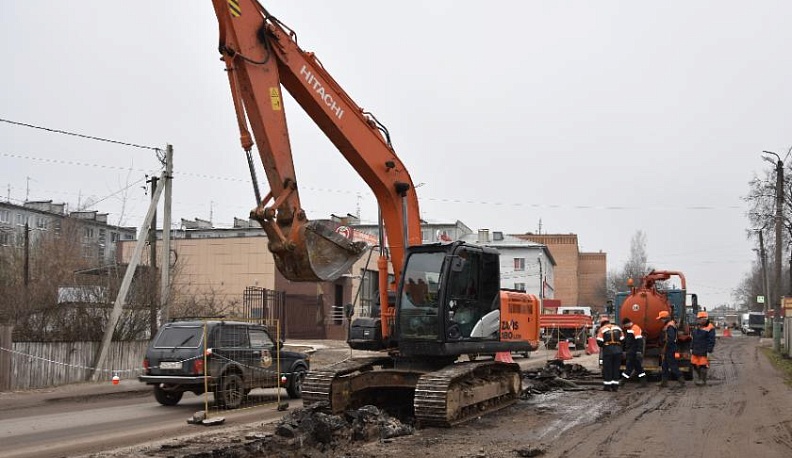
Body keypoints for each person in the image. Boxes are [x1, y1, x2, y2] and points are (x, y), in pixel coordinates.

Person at [657, 310, 685, 388]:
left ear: (665, 318)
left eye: (661, 319)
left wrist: (665, 348)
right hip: (669, 348)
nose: (660, 321)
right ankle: (664, 382)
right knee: (664, 366)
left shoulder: (670, 326)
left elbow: (671, 339)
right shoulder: (669, 325)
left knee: (672, 365)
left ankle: (681, 380)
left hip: (670, 348)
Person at [596, 316, 624, 392]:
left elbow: (599, 342)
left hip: (608, 350)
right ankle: (615, 387)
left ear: (602, 323)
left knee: (608, 369)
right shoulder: (618, 328)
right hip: (618, 350)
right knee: (616, 368)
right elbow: (622, 339)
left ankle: (607, 387)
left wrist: (605, 345)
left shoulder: (602, 329)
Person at [690, 311, 716, 386]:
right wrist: (691, 347)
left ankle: (702, 380)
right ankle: (700, 377)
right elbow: (693, 338)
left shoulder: (710, 328)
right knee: (694, 364)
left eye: (700, 319)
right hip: (696, 350)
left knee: (703, 365)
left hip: (704, 350)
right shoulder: (697, 327)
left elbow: (712, 341)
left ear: (704, 319)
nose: (698, 320)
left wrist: (709, 351)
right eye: (698, 319)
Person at [621, 317, 647, 386]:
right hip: (631, 351)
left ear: (627, 324)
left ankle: (622, 381)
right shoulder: (630, 329)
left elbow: (639, 341)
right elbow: (627, 341)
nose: (624, 327)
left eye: (624, 325)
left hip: (633, 352)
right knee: (638, 367)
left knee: (629, 367)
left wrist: (639, 351)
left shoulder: (635, 328)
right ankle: (643, 382)